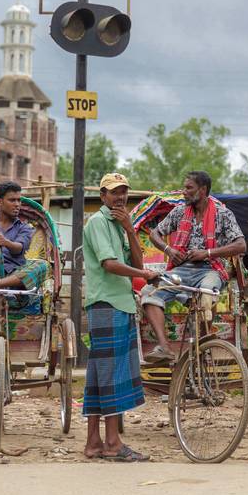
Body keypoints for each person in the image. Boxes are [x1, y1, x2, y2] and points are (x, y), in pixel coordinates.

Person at [82, 172, 159, 462]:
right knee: (113, 375)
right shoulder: (99, 223)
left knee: (100, 375)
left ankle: (94, 442)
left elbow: (137, 260)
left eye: (123, 191)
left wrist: (130, 229)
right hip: (107, 303)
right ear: (103, 196)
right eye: (114, 192)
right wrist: (144, 275)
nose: (120, 197)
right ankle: (113, 443)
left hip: (120, 303)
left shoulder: (118, 224)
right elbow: (111, 264)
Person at [141, 171, 247, 363]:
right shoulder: (180, 212)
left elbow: (241, 245)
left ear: (203, 190)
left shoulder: (223, 214)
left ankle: (203, 345)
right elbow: (154, 233)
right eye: (184, 187)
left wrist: (207, 253)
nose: (184, 192)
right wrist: (169, 250)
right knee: (149, 293)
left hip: (212, 269)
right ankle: (164, 348)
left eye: (189, 188)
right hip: (181, 270)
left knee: (207, 295)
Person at [0, 181, 49, 290]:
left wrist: (5, 242)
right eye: (12, 200)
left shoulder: (24, 227)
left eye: (19, 200)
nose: (17, 204)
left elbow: (19, 248)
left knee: (43, 266)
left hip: (13, 275)